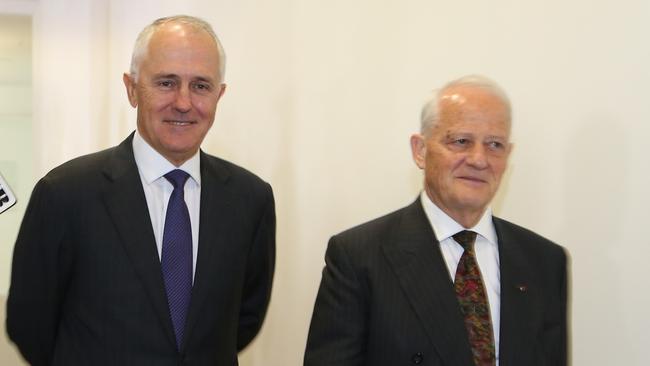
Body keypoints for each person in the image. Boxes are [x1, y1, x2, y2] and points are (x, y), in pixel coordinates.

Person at [6, 15, 275, 366]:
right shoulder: (65, 194)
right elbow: (30, 324)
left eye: (201, 86)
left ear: (219, 95)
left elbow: (243, 321)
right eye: (166, 82)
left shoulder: (250, 199)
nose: (183, 102)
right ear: (132, 88)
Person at [304, 75, 567, 366]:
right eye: (461, 141)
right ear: (420, 150)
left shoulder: (544, 262)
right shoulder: (360, 257)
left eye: (494, 144)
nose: (479, 159)